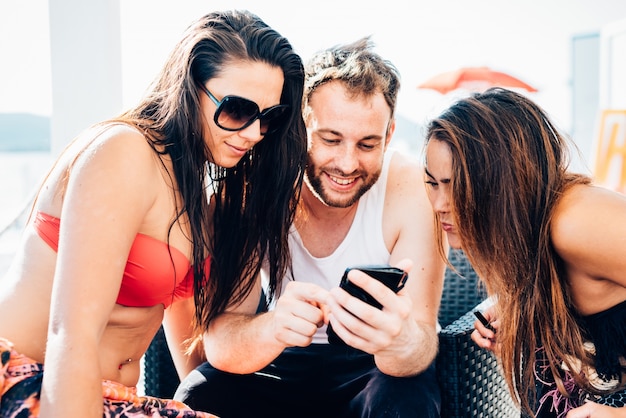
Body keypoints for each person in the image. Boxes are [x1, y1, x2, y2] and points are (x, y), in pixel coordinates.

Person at [0, 9, 307, 418]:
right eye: (237, 110)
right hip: (32, 385)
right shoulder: (124, 152)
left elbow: (192, 359)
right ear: (189, 87)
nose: (253, 133)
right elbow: (70, 335)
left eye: (269, 118)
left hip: (115, 399)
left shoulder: (193, 189)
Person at [174, 37, 445, 417]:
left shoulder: (411, 190)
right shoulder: (251, 189)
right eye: (330, 140)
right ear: (300, 128)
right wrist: (272, 327)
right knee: (203, 393)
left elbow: (422, 343)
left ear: (389, 135)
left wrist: (397, 341)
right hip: (280, 362)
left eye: (368, 145)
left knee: (404, 399)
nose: (347, 164)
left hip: (374, 371)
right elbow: (222, 339)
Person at [423, 87, 626, 418]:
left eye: (456, 185)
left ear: (504, 183)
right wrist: (523, 310)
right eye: (432, 183)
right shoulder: (525, 239)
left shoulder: (576, 222)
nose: (438, 205)